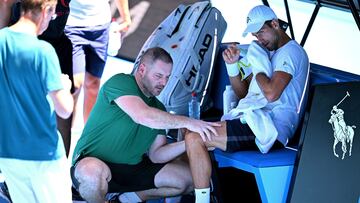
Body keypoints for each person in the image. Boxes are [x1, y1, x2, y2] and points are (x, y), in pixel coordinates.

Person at [184, 5, 309, 203]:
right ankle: (208, 196)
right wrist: (233, 67)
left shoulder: (291, 52)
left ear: (275, 24)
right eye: (256, 35)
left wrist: (257, 65)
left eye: (261, 33)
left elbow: (271, 93)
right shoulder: (269, 53)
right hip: (254, 120)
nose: (259, 40)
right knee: (189, 134)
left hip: (272, 128)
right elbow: (245, 95)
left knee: (195, 138)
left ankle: (202, 200)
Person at [70, 47, 220, 203]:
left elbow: (157, 155)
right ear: (142, 70)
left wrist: (190, 141)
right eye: (158, 76)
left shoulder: (159, 108)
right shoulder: (121, 82)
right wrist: (190, 122)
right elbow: (142, 115)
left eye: (167, 77)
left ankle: (123, 200)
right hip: (95, 163)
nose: (163, 83)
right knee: (91, 173)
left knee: (188, 179)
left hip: (132, 170)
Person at [0, 0, 74, 202]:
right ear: (45, 10)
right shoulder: (44, 51)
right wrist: (64, 87)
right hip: (43, 153)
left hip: (7, 152)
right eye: (53, 15)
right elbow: (65, 110)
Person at [65, 0, 132, 124]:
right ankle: (66, 135)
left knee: (93, 84)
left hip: (101, 27)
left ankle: (87, 136)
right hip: (71, 25)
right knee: (74, 85)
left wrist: (126, 18)